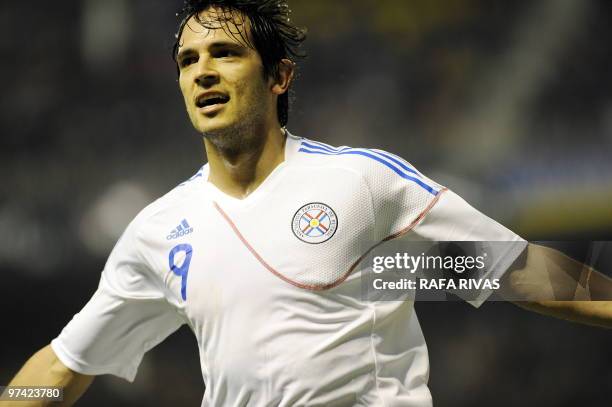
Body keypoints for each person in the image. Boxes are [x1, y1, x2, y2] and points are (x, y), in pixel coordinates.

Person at [4, 1, 612, 406]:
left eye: (226, 54)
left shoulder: (362, 182)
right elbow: (60, 367)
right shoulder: (157, 230)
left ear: (280, 78)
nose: (202, 72)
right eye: (189, 60)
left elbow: (519, 270)